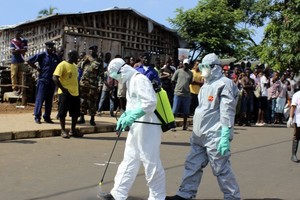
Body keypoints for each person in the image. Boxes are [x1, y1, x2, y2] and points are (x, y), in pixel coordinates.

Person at [166, 53, 240, 200]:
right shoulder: (206, 84)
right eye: (201, 66)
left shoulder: (224, 84)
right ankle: (185, 194)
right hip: (199, 135)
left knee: (221, 168)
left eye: (205, 67)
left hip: (215, 134)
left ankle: (232, 197)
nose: (202, 70)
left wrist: (225, 135)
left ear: (214, 67)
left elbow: (227, 111)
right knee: (192, 165)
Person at [97, 58, 166, 200]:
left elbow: (150, 103)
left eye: (116, 76)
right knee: (129, 159)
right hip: (137, 126)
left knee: (150, 163)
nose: (116, 79)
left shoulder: (139, 79)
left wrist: (132, 115)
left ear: (122, 70)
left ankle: (157, 197)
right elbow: (133, 105)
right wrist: (125, 116)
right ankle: (118, 194)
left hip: (148, 126)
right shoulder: (129, 81)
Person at [27, 42, 60, 124]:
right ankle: (37, 117)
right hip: (43, 80)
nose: (50, 48)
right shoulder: (42, 55)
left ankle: (47, 117)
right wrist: (37, 68)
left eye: (51, 47)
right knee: (40, 99)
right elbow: (29, 61)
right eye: (48, 47)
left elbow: (61, 64)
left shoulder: (55, 57)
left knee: (49, 100)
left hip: (51, 82)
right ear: (46, 47)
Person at [52, 50, 81, 139]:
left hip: (75, 93)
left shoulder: (75, 66)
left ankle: (73, 130)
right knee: (62, 113)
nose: (77, 58)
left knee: (75, 113)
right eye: (76, 56)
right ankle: (63, 130)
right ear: (71, 55)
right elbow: (55, 78)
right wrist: (63, 89)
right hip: (65, 93)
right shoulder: (62, 65)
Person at [78, 45, 104, 125]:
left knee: (92, 102)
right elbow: (79, 66)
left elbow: (101, 74)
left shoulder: (99, 60)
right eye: (91, 50)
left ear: (96, 50)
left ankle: (92, 119)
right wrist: (84, 62)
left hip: (93, 84)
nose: (92, 51)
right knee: (82, 101)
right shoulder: (86, 58)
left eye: (94, 50)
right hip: (84, 83)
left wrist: (100, 85)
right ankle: (82, 117)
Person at [171, 58, 193, 131]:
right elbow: (173, 80)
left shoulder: (190, 73)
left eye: (187, 64)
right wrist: (176, 87)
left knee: (186, 112)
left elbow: (190, 82)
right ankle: (172, 126)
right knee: (174, 111)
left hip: (186, 94)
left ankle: (184, 126)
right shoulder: (178, 71)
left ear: (188, 65)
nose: (185, 65)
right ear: (183, 64)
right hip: (178, 93)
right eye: (185, 64)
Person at [9, 30, 28, 96]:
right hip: (14, 61)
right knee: (13, 75)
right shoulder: (12, 42)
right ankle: (14, 88)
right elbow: (13, 52)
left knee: (21, 75)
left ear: (20, 34)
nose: (17, 35)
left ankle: (21, 89)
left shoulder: (24, 41)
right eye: (16, 34)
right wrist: (21, 50)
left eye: (18, 33)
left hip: (21, 60)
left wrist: (17, 50)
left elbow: (25, 50)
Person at [287, 89, 300, 163]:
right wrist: (290, 118)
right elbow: (293, 106)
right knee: (296, 136)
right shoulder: (297, 95)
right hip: (298, 119)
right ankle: (293, 155)